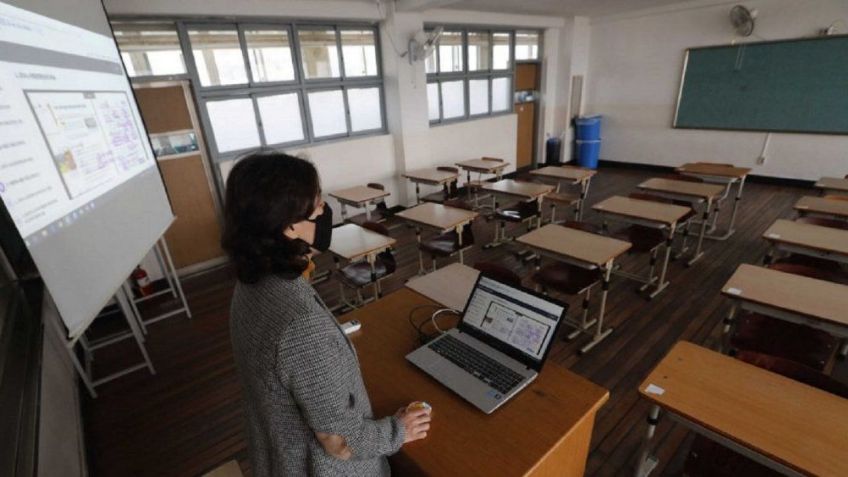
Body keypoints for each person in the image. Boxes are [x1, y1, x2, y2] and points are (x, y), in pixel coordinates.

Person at [223, 152, 431, 476]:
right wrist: (400, 429)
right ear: (288, 224)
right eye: (317, 203)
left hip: (275, 454)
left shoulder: (251, 282)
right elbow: (340, 441)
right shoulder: (300, 324)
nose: (323, 211)